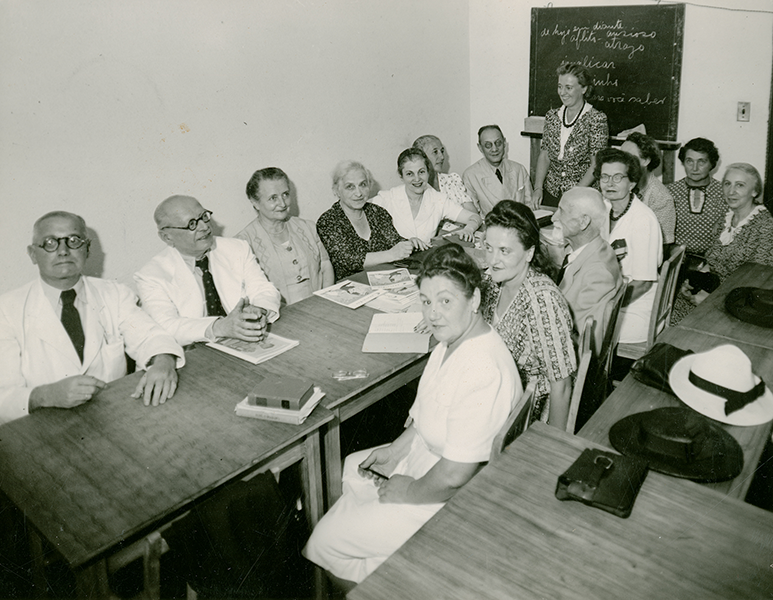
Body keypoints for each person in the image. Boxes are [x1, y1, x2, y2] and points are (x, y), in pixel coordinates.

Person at [304, 244, 520, 590]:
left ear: (476, 300)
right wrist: (396, 450)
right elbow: (427, 414)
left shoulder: (484, 369)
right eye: (426, 301)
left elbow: (455, 474)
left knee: (324, 543)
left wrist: (409, 491)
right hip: (428, 458)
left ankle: (386, 584)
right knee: (345, 472)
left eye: (446, 301)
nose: (433, 314)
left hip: (448, 493)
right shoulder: (451, 342)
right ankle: (386, 566)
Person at [0, 211, 185, 425]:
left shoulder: (114, 294)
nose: (63, 251)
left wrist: (163, 361)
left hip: (114, 417)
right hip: (43, 429)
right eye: (50, 242)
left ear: (87, 249)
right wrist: (44, 395)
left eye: (73, 240)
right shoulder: (6, 310)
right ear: (32, 254)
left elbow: (150, 337)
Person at [134, 195, 281, 346]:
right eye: (192, 224)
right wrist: (218, 327)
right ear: (167, 237)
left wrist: (260, 310)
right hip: (194, 351)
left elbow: (263, 288)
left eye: (204, 217)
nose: (204, 227)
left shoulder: (237, 248)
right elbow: (166, 327)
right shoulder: (151, 275)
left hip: (242, 343)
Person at [481, 200, 576, 429]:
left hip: (523, 417)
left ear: (529, 252)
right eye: (488, 247)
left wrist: (550, 444)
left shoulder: (543, 300)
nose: (492, 260)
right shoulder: (496, 281)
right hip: (493, 395)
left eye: (504, 251)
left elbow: (561, 385)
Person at [674, 163, 773, 322]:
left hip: (737, 308)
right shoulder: (724, 220)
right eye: (727, 184)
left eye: (740, 185)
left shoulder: (765, 226)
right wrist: (692, 285)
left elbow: (759, 287)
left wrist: (713, 299)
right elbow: (712, 263)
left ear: (755, 191)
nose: (731, 191)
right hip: (708, 295)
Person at [236, 167, 334, 305]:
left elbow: (325, 265)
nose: (282, 203)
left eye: (285, 194)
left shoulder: (308, 227)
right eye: (273, 198)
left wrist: (326, 301)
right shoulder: (243, 243)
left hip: (320, 309)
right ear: (255, 202)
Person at [596, 148, 663, 344]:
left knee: (578, 328)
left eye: (618, 177)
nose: (609, 183)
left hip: (634, 309)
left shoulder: (643, 220)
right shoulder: (604, 208)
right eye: (604, 177)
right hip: (611, 295)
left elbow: (643, 283)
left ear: (632, 182)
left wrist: (607, 306)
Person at [551, 187, 623, 353]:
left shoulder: (597, 273)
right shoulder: (596, 248)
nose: (554, 217)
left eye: (561, 211)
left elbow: (582, 341)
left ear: (583, 222)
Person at [317, 161, 413, 280]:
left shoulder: (377, 212)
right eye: (350, 187)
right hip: (351, 288)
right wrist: (391, 254)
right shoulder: (328, 221)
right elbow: (348, 260)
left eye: (363, 185)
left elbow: (394, 240)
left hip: (386, 280)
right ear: (336, 191)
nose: (358, 193)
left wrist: (409, 243)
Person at [533, 63, 609, 208]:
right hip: (552, 193)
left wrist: (574, 194)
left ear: (584, 89)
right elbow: (544, 155)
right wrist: (538, 188)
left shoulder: (596, 119)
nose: (562, 92)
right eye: (559, 86)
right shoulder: (552, 116)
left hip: (582, 195)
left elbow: (596, 164)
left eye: (568, 87)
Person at [372, 148, 481, 247]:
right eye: (410, 174)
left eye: (421, 172)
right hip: (392, 263)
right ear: (401, 176)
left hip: (424, 262)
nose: (417, 179)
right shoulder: (387, 198)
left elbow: (475, 217)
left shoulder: (438, 199)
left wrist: (468, 229)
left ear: (428, 172)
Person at [667, 137, 725, 256]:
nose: (694, 168)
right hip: (677, 258)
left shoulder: (724, 192)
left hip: (713, 260)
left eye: (701, 162)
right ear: (683, 163)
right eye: (689, 161)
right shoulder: (670, 191)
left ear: (711, 164)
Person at [463, 125, 534, 215]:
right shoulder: (470, 175)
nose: (494, 149)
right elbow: (473, 215)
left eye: (498, 143)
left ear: (504, 143)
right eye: (488, 145)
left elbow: (530, 207)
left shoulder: (519, 169)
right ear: (480, 148)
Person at [621, 132, 676, 245]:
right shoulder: (620, 184)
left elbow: (664, 244)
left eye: (628, 157)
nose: (621, 162)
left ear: (646, 160)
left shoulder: (661, 198)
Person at [412, 134, 479, 214]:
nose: (442, 157)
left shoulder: (452, 180)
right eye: (435, 152)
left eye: (442, 151)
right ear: (420, 157)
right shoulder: (416, 188)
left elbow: (472, 213)